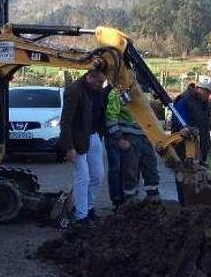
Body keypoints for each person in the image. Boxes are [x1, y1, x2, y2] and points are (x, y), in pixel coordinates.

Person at [59, 66, 108, 226]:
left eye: (103, 82)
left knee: (98, 175)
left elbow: (100, 113)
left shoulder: (97, 90)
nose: (101, 85)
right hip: (78, 139)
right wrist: (69, 147)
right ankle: (81, 215)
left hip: (93, 136)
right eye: (99, 81)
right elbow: (66, 121)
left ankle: (87, 207)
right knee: (83, 177)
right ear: (90, 77)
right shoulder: (74, 91)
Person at [106, 88, 160, 205]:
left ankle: (153, 199)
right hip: (130, 137)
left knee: (151, 170)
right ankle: (130, 203)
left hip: (146, 137)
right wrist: (119, 138)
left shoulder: (142, 90)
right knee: (130, 173)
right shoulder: (116, 93)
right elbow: (111, 117)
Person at [173, 76, 211, 164]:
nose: (208, 94)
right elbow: (179, 122)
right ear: (198, 88)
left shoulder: (205, 102)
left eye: (210, 92)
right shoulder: (184, 100)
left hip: (201, 149)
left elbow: (205, 125)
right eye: (207, 91)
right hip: (185, 151)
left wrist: (207, 144)